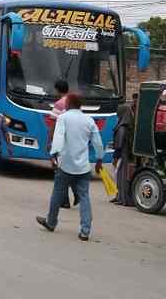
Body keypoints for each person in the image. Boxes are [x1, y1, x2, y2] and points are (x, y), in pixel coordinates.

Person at [36, 93, 104, 242]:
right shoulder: (89, 120)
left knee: (57, 194)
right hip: (83, 167)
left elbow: (58, 137)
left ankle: (51, 222)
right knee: (84, 197)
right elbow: (97, 142)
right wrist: (99, 159)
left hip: (65, 165)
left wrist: (53, 154)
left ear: (69, 104)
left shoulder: (64, 118)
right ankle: (85, 231)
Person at [47, 80, 79, 209]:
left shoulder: (59, 104)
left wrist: (50, 141)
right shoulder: (74, 103)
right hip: (74, 141)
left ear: (57, 90)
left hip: (61, 142)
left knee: (60, 171)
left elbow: (53, 124)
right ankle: (76, 194)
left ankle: (65, 200)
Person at [112, 104, 134, 206]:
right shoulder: (129, 125)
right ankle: (120, 197)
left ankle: (122, 198)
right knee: (121, 176)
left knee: (121, 176)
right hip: (126, 155)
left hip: (122, 155)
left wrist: (115, 158)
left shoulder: (122, 127)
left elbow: (119, 145)